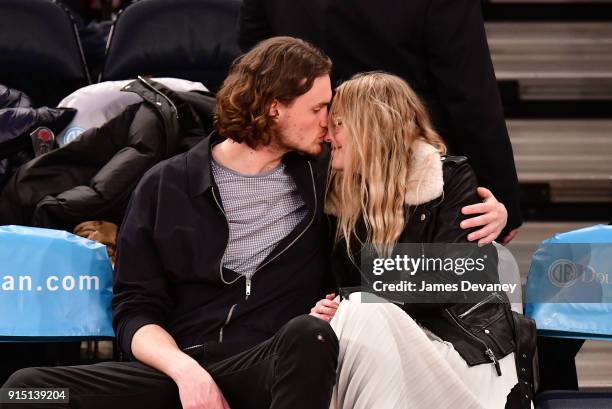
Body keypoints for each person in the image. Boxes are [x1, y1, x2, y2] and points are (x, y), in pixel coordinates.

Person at [2, 37, 507, 409]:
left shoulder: (323, 180)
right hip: (184, 371)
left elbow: (406, 162)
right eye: (319, 108)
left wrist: (489, 209)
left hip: (276, 364)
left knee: (308, 337)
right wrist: (186, 374)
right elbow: (135, 308)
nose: (331, 123)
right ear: (273, 109)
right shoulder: (165, 185)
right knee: (25, 388)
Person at [309, 72, 528, 409]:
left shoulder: (450, 180)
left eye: (338, 123)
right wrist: (330, 307)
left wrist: (352, 300)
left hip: (463, 356)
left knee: (360, 315)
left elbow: (452, 281)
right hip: (387, 356)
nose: (327, 135)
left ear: (371, 129)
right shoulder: (339, 198)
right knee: (341, 330)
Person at [238, 0, 522, 244]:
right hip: (410, 171)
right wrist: (499, 194)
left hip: (309, 165)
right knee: (415, 291)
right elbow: (469, 93)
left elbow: (256, 64)